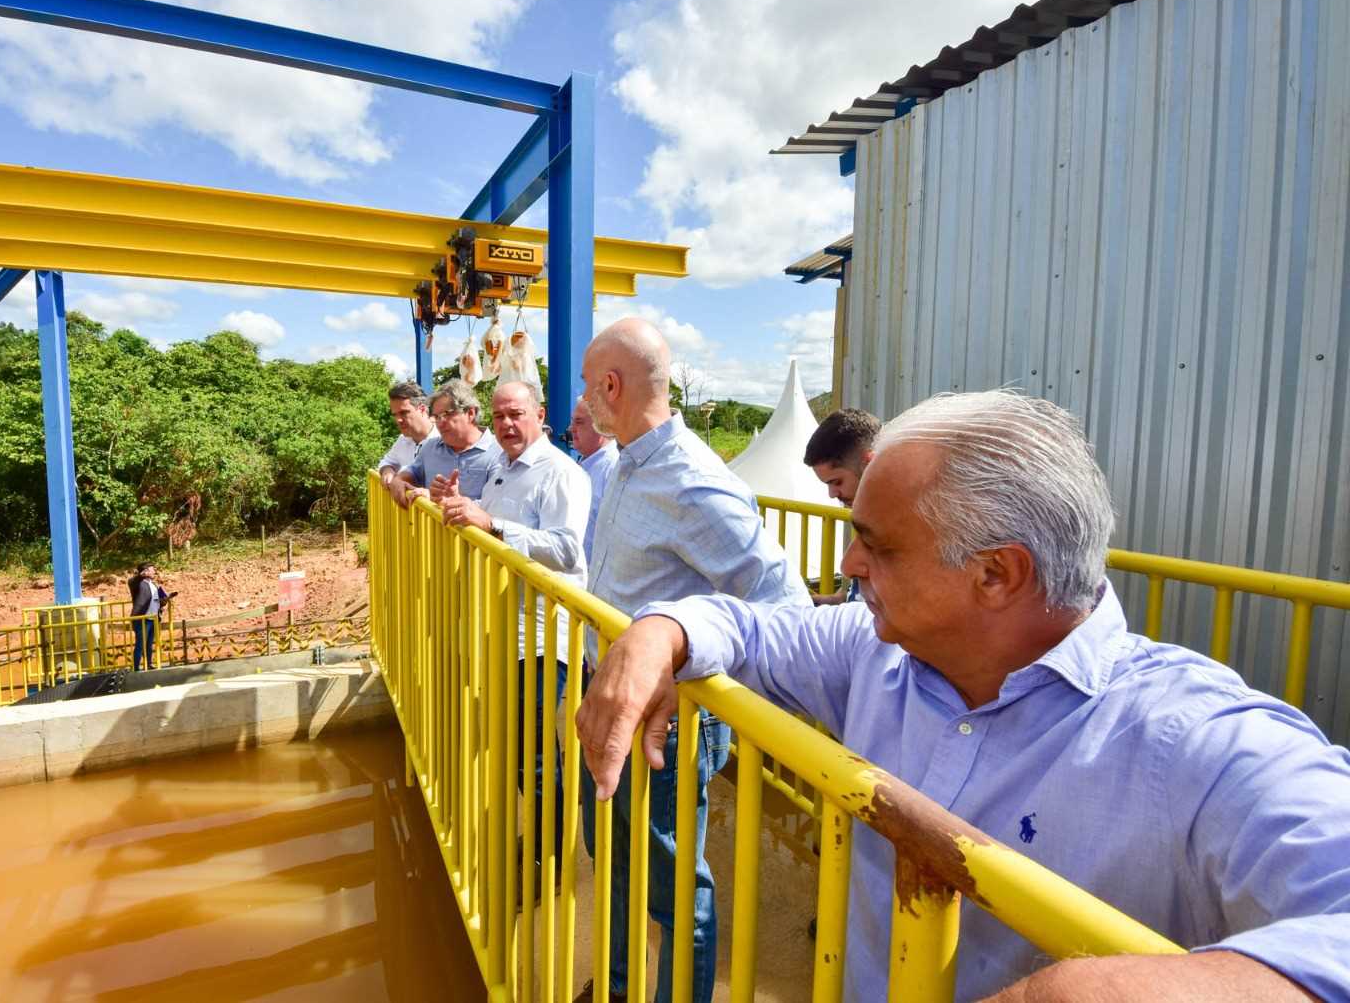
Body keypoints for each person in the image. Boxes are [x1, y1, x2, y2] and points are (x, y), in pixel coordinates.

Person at [577, 389, 1350, 1003]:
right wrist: (660, 631)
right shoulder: (874, 651)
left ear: (996, 574)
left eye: (876, 545)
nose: (847, 563)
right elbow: (749, 627)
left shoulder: (1199, 741)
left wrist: (1087, 989)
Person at [576, 317, 808, 1003]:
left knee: (675, 887)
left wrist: (692, 667)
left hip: (666, 724)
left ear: (612, 386)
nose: (584, 402)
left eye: (590, 388)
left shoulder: (693, 482)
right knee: (614, 861)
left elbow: (785, 607)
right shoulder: (629, 461)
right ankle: (620, 990)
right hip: (611, 700)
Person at [432, 380, 590, 891]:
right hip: (506, 626)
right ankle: (541, 841)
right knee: (523, 747)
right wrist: (459, 503)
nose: (505, 425)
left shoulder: (560, 473)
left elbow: (567, 551)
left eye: (515, 414)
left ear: (540, 415)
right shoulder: (502, 467)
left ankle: (549, 860)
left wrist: (492, 525)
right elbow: (488, 520)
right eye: (499, 416)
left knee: (537, 753)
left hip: (546, 634)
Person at [803, 407, 881, 604]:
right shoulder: (867, 519)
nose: (832, 495)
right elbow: (852, 601)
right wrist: (807, 602)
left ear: (869, 463)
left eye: (837, 482)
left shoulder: (905, 529)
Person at [389, 379, 499, 508]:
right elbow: (411, 472)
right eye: (436, 417)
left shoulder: (499, 453)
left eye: (447, 414)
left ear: (470, 413)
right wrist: (398, 481)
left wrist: (444, 501)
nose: (440, 423)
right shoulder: (430, 447)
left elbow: (496, 506)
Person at [568, 396, 618, 564]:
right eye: (572, 422)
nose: (571, 429)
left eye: (579, 422)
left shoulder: (613, 468)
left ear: (601, 425)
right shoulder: (585, 462)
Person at [378, 381, 437, 491]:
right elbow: (387, 461)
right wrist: (387, 470)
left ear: (422, 409)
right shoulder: (403, 440)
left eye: (404, 412)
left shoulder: (443, 440)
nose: (398, 420)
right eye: (395, 414)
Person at [127, 562, 173, 671]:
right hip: (142, 619)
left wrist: (165, 600)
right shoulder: (138, 583)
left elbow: (159, 602)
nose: (154, 572)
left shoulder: (153, 585)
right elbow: (131, 581)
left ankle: (148, 664)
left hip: (153, 618)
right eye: (152, 570)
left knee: (149, 644)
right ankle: (136, 667)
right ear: (146, 571)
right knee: (140, 644)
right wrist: (140, 575)